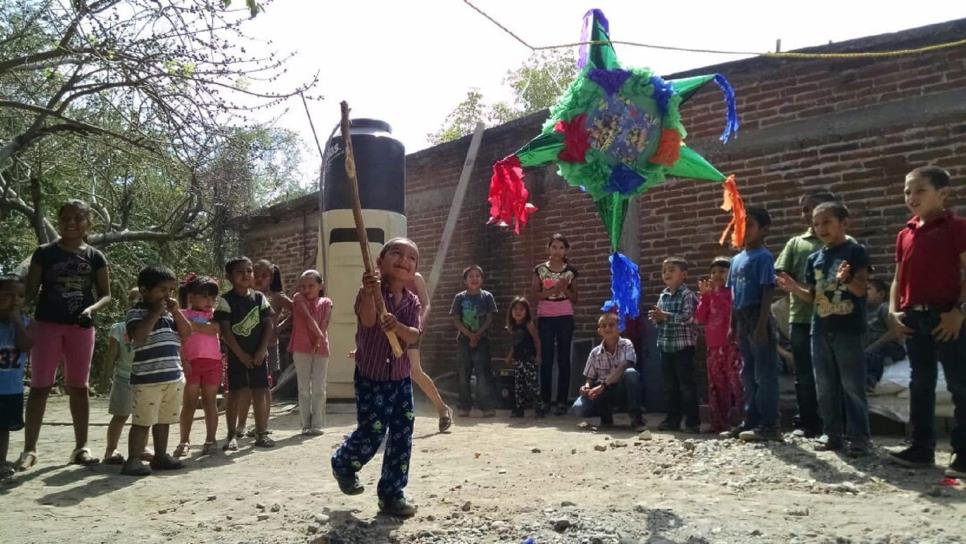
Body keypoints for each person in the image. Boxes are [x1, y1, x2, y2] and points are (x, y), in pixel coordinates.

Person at [17, 200, 112, 470]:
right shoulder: (44, 253)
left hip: (80, 328)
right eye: (65, 218)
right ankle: (29, 449)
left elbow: (106, 294)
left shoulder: (95, 256)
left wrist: (91, 309)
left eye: (77, 218)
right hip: (46, 325)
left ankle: (81, 447)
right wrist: (13, 305)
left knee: (79, 387)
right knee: (39, 386)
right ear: (58, 222)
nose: (71, 223)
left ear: (88, 223)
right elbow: (31, 292)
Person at [331, 237, 423, 518]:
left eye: (411, 257)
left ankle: (392, 493)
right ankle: (344, 463)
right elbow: (369, 320)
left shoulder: (411, 301)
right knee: (372, 431)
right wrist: (370, 290)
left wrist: (398, 326)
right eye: (396, 253)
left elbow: (415, 336)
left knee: (402, 435)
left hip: (400, 377)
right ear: (380, 263)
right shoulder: (369, 292)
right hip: (372, 377)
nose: (404, 260)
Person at [886, 166, 966, 478]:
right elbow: (896, 279)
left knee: (960, 383)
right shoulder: (905, 233)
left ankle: (963, 454)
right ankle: (921, 449)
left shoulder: (956, 227)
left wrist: (959, 311)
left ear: (942, 194)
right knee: (920, 384)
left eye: (919, 190)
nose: (911, 197)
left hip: (946, 316)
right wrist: (892, 312)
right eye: (907, 191)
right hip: (913, 317)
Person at [779, 202, 872, 456]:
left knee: (852, 386)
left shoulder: (856, 252)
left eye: (827, 222)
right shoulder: (815, 258)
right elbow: (812, 295)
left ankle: (859, 438)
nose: (821, 228)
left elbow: (861, 290)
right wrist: (794, 288)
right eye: (816, 223)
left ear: (844, 223)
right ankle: (832, 435)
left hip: (848, 329)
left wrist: (846, 279)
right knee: (825, 385)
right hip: (819, 328)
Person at [775, 188, 850, 438]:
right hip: (801, 317)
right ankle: (808, 424)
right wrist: (799, 287)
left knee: (833, 374)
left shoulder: (844, 244)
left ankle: (839, 426)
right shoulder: (797, 243)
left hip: (834, 317)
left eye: (810, 208)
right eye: (803, 210)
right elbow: (780, 273)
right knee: (804, 375)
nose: (805, 214)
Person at [121, 265, 191, 476]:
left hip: (172, 377)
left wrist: (176, 311)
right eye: (162, 290)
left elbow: (187, 333)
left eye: (171, 290)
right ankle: (133, 459)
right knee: (142, 421)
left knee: (164, 419)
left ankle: (161, 456)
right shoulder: (136, 313)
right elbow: (139, 336)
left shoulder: (171, 316)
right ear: (144, 291)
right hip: (147, 379)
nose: (168, 295)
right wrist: (155, 312)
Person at [726, 207, 782, 442]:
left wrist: (761, 326)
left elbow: (767, 291)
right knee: (747, 373)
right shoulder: (736, 259)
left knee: (764, 373)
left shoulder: (764, 257)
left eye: (749, 224)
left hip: (758, 317)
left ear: (764, 229)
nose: (744, 229)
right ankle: (751, 419)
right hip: (742, 319)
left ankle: (770, 424)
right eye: (739, 224)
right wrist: (732, 324)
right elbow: (733, 295)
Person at [216, 257, 276, 450]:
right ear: (229, 277)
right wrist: (240, 354)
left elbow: (268, 324)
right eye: (240, 272)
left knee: (260, 392)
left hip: (258, 354)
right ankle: (231, 435)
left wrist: (261, 349)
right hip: (237, 356)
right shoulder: (226, 300)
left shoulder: (259, 298)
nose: (246, 275)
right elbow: (225, 330)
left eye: (249, 271)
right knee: (234, 394)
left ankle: (261, 433)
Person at [650, 257, 700, 433]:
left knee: (686, 385)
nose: (667, 273)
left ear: (684, 275)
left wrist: (666, 316)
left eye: (672, 270)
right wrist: (656, 318)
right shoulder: (663, 295)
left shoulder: (688, 295)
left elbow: (690, 318)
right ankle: (673, 420)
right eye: (664, 271)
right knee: (670, 386)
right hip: (665, 346)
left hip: (683, 347)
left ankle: (693, 422)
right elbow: (659, 320)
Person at [174, 274, 222, 457]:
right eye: (204, 296)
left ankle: (211, 439)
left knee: (210, 402)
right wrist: (183, 360)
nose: (209, 301)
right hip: (190, 363)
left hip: (213, 363)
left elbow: (215, 329)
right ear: (191, 296)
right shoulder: (182, 314)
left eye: (212, 297)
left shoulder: (215, 314)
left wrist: (191, 326)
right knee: (189, 404)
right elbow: (179, 338)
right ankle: (184, 441)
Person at [571, 312, 646, 431]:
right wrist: (586, 387)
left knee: (631, 373)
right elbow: (590, 377)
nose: (607, 328)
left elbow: (624, 366)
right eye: (603, 326)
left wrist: (603, 386)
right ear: (599, 330)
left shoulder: (626, 344)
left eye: (611, 325)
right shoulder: (595, 352)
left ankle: (637, 419)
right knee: (578, 408)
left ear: (619, 328)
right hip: (603, 393)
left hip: (621, 390)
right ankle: (605, 418)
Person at [696, 257, 744, 433]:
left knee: (737, 383)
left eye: (722, 272)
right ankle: (719, 422)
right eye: (714, 272)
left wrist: (714, 296)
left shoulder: (733, 292)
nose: (717, 275)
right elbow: (701, 318)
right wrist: (705, 297)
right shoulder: (708, 295)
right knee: (716, 385)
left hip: (732, 345)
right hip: (713, 347)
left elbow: (732, 311)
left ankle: (744, 421)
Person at [532, 233, 578, 415]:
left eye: (561, 247)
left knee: (564, 358)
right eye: (554, 247)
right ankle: (544, 400)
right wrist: (552, 290)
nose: (557, 251)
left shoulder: (570, 272)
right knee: (547, 358)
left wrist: (565, 288)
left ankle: (561, 401)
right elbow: (535, 294)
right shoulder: (540, 270)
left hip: (565, 315)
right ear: (548, 248)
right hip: (545, 316)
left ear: (566, 250)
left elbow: (575, 298)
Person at [248, 259, 293, 436]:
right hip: (250, 346)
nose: (259, 279)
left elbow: (298, 311)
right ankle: (255, 422)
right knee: (253, 387)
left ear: (271, 277)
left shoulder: (277, 297)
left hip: (269, 346)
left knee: (265, 386)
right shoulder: (248, 296)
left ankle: (263, 424)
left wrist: (279, 327)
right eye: (256, 275)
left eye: (264, 276)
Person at [407, 272, 453, 432]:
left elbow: (426, 304)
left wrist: (419, 325)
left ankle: (442, 408)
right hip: (390, 329)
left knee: (415, 371)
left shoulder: (415, 277)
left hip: (411, 329)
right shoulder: (384, 276)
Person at [289, 269, 332, 436]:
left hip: (321, 348)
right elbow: (308, 318)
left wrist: (318, 340)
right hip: (301, 347)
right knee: (303, 388)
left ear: (320, 286)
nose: (307, 290)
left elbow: (325, 321)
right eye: (303, 286)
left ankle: (318, 423)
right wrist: (317, 338)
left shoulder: (327, 301)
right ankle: (305, 424)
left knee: (319, 387)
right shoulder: (298, 298)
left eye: (311, 286)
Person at [450, 265, 498, 417]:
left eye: (477, 276)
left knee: (482, 374)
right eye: (471, 276)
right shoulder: (460, 298)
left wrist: (477, 335)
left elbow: (490, 318)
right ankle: (464, 406)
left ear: (482, 279)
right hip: (464, 340)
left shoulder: (487, 297)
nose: (474, 279)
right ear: (465, 280)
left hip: (482, 340)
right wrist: (470, 335)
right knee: (464, 375)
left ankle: (486, 406)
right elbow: (456, 320)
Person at [102, 288, 143, 465]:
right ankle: (111, 449)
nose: (137, 302)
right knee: (120, 415)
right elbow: (111, 355)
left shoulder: (153, 326)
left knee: (144, 417)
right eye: (133, 299)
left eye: (141, 299)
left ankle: (141, 448)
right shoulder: (119, 329)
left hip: (145, 379)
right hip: (124, 379)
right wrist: (105, 376)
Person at [0, 276, 32, 480]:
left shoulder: (27, 323)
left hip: (10, 389)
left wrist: (17, 322)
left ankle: (1, 461)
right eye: (8, 295)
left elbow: (26, 345)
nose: (14, 300)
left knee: (3, 428)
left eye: (19, 296)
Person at [864, 278, 906, 390]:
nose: (864, 292)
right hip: (871, 347)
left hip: (892, 347)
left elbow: (895, 331)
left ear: (881, 294)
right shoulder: (863, 311)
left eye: (868, 289)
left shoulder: (883, 308)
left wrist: (875, 345)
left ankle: (870, 380)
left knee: (874, 352)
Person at [505, 297, 543, 418]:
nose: (518, 312)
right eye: (515, 309)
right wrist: (509, 357)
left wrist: (538, 355)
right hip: (518, 360)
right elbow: (514, 344)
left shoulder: (529, 325)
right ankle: (519, 409)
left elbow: (537, 340)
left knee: (532, 385)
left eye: (521, 309)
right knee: (518, 386)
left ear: (526, 311)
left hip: (529, 360)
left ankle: (538, 408)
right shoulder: (513, 327)